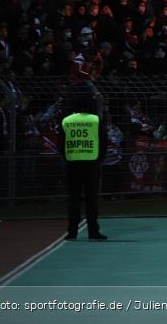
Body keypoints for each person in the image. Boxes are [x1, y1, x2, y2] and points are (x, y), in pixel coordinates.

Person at [58, 82, 107, 240]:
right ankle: (93, 231)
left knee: (73, 199)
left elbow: (61, 143)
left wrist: (67, 157)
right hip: (92, 163)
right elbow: (103, 142)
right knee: (92, 199)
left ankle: (72, 232)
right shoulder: (96, 120)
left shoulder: (67, 121)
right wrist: (99, 159)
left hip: (73, 164)